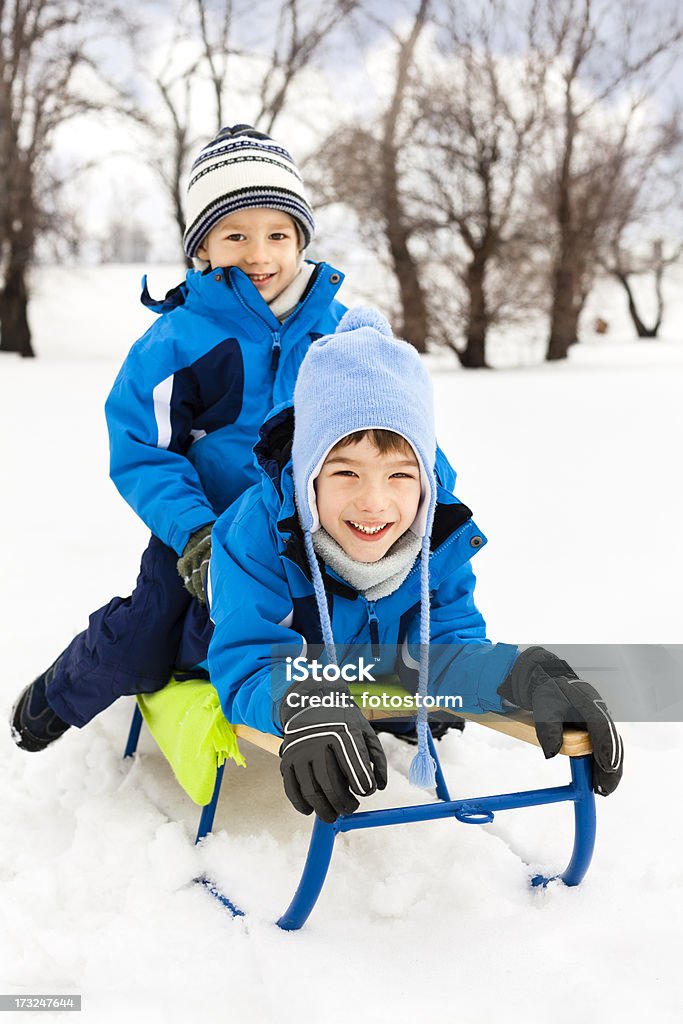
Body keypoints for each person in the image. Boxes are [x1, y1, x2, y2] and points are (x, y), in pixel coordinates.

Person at [204, 307, 624, 823]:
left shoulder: (438, 535)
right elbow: (247, 658)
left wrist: (523, 676)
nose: (375, 503)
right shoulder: (252, 534)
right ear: (307, 476)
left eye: (400, 476)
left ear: (425, 478)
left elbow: (445, 650)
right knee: (153, 634)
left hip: (368, 658)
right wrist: (301, 699)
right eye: (345, 473)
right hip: (229, 619)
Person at [11, 124, 347, 752]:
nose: (259, 253)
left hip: (305, 532)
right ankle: (63, 689)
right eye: (236, 235)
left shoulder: (340, 334)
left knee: (339, 624)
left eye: (278, 234)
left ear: (301, 240)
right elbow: (143, 452)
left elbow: (382, 429)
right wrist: (193, 530)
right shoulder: (178, 341)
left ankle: (414, 703)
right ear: (202, 248)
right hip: (203, 531)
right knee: (150, 633)